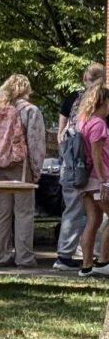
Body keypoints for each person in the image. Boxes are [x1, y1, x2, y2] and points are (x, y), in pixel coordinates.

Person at [0, 74, 46, 268]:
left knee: (2, 211)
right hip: (20, 165)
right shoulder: (30, 111)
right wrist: (36, 170)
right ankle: (24, 258)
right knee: (24, 212)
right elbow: (36, 143)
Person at [55, 63, 106, 270]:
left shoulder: (73, 100)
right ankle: (97, 256)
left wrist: (66, 155)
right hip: (95, 168)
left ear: (85, 77)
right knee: (97, 215)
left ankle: (66, 255)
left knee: (74, 210)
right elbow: (99, 150)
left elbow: (60, 131)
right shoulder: (101, 104)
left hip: (72, 161)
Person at [76, 84, 109, 277]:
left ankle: (86, 266)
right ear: (103, 102)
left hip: (85, 179)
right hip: (99, 178)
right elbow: (97, 155)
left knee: (93, 220)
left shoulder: (82, 121)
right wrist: (104, 181)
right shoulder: (98, 124)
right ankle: (104, 260)